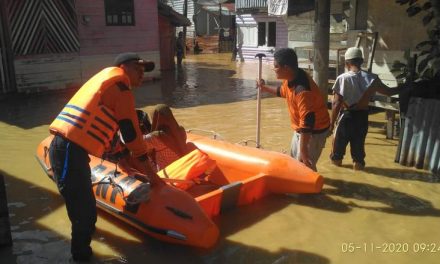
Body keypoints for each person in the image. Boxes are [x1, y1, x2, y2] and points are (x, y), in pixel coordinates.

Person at [48, 52, 161, 262]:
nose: (142, 75)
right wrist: (152, 176)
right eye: (139, 69)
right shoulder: (120, 87)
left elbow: (114, 135)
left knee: (84, 213)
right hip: (68, 153)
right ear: (124, 67)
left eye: (144, 71)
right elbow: (131, 135)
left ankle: (82, 253)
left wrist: (126, 160)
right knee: (84, 216)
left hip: (70, 151)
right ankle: (81, 258)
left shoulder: (106, 83)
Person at [329, 47, 403, 170]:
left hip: (346, 117)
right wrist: (406, 86)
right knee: (358, 154)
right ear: (361, 61)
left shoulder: (342, 78)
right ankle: (358, 171)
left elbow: (336, 103)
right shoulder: (373, 78)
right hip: (362, 117)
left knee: (337, 153)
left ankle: (340, 178)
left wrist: (331, 124)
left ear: (347, 63)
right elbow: (389, 92)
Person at [257, 48, 330, 171]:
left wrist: (304, 150)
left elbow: (308, 122)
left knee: (304, 166)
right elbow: (282, 91)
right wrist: (264, 88)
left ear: (286, 68)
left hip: (313, 131)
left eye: (276, 66)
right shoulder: (292, 77)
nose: (273, 69)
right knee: (294, 163)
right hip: (301, 129)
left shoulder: (302, 90)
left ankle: (311, 188)